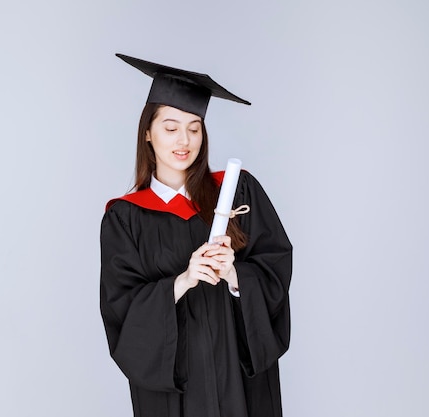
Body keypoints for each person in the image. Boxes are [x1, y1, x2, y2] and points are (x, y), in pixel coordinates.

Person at [100, 53, 293, 417]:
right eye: (170, 127)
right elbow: (120, 310)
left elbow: (275, 272)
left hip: (240, 382)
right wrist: (182, 282)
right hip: (177, 394)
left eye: (194, 127)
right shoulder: (124, 217)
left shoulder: (237, 192)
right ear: (148, 133)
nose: (184, 140)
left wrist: (236, 276)